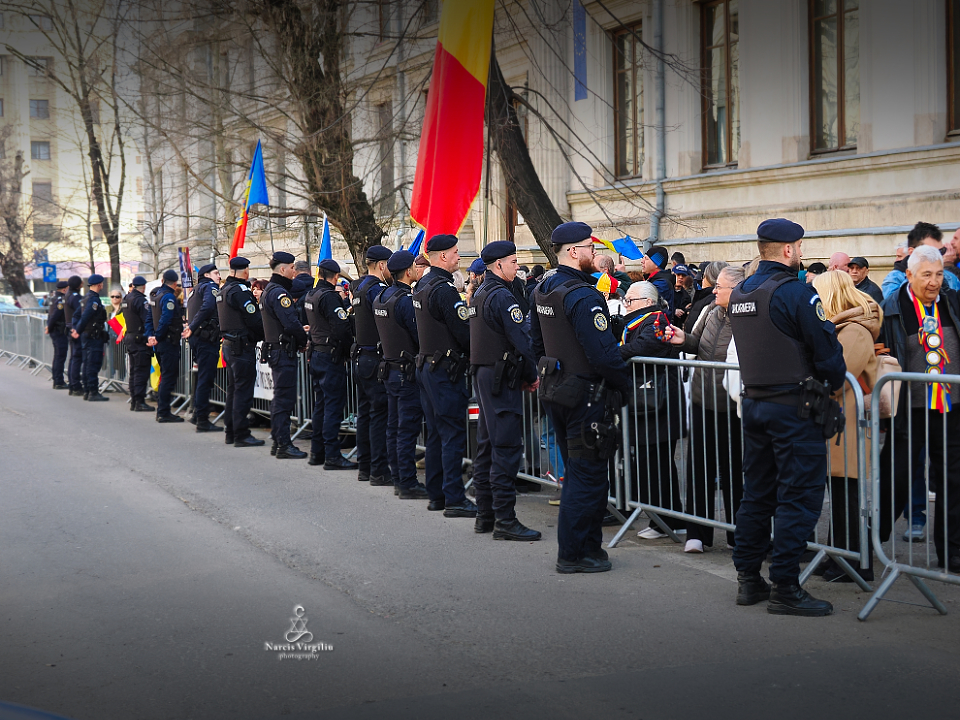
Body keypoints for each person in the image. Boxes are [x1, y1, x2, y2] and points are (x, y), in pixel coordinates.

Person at [728, 218, 846, 617]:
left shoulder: (742, 290)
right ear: (789, 250)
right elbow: (828, 355)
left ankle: (748, 579)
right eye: (799, 246)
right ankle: (785, 587)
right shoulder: (797, 293)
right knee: (799, 496)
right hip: (794, 408)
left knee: (758, 493)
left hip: (756, 405)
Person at [532, 221, 632, 573]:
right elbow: (603, 354)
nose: (595, 253)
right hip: (583, 396)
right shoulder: (582, 294)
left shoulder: (544, 288)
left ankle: (589, 548)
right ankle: (573, 553)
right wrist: (624, 386)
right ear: (574, 252)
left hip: (556, 389)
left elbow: (536, 343)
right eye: (590, 248)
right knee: (587, 475)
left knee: (579, 471)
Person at [878, 245, 960, 572]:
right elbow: (881, 350)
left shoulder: (954, 302)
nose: (934, 282)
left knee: (953, 480)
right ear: (909, 274)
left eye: (939, 274)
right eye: (926, 275)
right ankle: (870, 545)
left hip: (952, 407)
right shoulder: (893, 307)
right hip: (908, 409)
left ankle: (952, 551)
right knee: (895, 476)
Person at [668, 266, 745, 553]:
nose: (713, 291)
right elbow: (696, 342)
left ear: (736, 291)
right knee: (698, 467)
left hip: (731, 406)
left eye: (719, 287)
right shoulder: (712, 311)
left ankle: (739, 534)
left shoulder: (748, 318)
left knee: (733, 472)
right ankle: (697, 533)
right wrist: (681, 338)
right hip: (702, 401)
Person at [469, 240, 541, 541]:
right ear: (498, 265)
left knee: (487, 446)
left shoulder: (480, 294)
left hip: (486, 375)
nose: (517, 266)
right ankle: (505, 520)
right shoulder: (502, 297)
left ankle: (485, 514)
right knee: (506, 448)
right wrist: (531, 374)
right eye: (513, 261)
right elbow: (521, 342)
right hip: (501, 378)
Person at [811, 270, 881, 582]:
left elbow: (838, 377)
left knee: (847, 493)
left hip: (847, 420)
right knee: (839, 492)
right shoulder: (844, 327)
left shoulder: (853, 330)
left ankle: (854, 562)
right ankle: (839, 555)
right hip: (840, 419)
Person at [414, 234, 477, 518]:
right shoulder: (444, 290)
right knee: (451, 435)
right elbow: (464, 333)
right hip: (444, 370)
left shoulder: (422, 285)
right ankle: (454, 498)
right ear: (441, 257)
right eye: (454, 253)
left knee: (437, 434)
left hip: (429, 367)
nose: (458, 257)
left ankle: (437, 494)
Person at [619, 281, 686, 540]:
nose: (627, 304)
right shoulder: (636, 321)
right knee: (650, 464)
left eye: (631, 300)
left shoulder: (656, 319)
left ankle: (668, 519)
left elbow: (643, 348)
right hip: (647, 403)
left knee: (658, 465)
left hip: (659, 404)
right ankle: (661, 517)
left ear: (647, 302)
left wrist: (615, 353)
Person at [374, 250, 429, 499]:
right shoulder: (405, 300)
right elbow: (420, 336)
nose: (419, 270)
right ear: (409, 271)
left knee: (394, 427)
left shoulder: (382, 296)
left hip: (390, 369)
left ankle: (399, 477)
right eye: (415, 267)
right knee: (405, 430)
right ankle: (406, 482)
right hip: (406, 373)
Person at [304, 258, 358, 469]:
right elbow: (342, 329)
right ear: (335, 277)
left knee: (321, 406)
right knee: (333, 407)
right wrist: (347, 352)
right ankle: (332, 455)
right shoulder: (329, 297)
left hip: (317, 352)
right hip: (330, 356)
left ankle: (317, 452)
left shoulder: (311, 294)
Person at [260, 251, 309, 459]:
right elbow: (291, 323)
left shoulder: (268, 291)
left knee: (280, 398)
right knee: (284, 399)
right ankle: (283, 444)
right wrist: (302, 340)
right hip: (282, 352)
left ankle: (278, 441)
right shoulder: (279, 293)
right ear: (283, 269)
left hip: (277, 350)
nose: (294, 273)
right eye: (291, 268)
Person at [351, 245, 392, 485]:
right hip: (374, 358)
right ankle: (378, 470)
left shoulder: (359, 288)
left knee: (365, 414)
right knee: (378, 416)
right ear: (382, 265)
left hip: (361, 357)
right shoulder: (376, 290)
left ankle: (365, 467)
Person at [217, 256, 265, 448]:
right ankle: (241, 433)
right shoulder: (240, 291)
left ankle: (230, 431)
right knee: (242, 391)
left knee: (233, 390)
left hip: (230, 345)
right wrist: (264, 334)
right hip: (241, 346)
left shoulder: (223, 291)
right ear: (244, 271)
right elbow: (254, 319)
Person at [184, 263, 223, 432]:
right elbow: (208, 306)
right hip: (205, 338)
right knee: (205, 379)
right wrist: (192, 326)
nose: (219, 276)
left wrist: (192, 327)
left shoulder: (195, 289)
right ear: (207, 275)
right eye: (216, 273)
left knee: (201, 377)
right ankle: (202, 420)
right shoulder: (210, 286)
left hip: (198, 338)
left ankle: (196, 414)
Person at [882, 222, 960, 298]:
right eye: (930, 252)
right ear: (912, 252)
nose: (938, 257)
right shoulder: (894, 279)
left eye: (941, 251)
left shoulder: (951, 278)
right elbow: (897, 307)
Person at [148, 269, 185, 422]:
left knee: (165, 376)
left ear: (162, 280)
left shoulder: (156, 296)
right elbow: (165, 319)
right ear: (175, 284)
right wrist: (157, 336)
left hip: (161, 342)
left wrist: (152, 335)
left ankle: (163, 410)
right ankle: (163, 412)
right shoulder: (169, 297)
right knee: (168, 377)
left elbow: (149, 318)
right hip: (168, 342)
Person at [71, 274, 110, 402]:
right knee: (93, 363)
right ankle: (93, 392)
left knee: (87, 363)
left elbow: (76, 316)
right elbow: (86, 316)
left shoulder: (85, 298)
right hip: (93, 335)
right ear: (100, 285)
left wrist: (76, 328)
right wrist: (77, 330)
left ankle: (88, 391)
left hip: (86, 335)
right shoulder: (93, 300)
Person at [121, 276, 155, 412]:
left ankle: (134, 401)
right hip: (139, 339)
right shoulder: (140, 300)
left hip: (130, 336)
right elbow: (146, 319)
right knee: (141, 371)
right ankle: (139, 401)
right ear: (144, 287)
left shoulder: (126, 299)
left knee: (134, 371)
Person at [45, 280, 70, 390]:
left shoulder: (53, 298)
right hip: (59, 331)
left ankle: (57, 379)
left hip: (55, 330)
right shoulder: (61, 300)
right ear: (64, 289)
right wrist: (49, 327)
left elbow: (50, 315)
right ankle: (58, 381)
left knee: (58, 356)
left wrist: (48, 327)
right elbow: (54, 316)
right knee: (60, 356)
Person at [641, 245, 676, 318]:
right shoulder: (655, 280)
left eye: (646, 259)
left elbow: (643, 303)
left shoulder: (661, 284)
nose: (642, 261)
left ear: (657, 264)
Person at [64, 275, 84, 395]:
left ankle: (73, 384)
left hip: (70, 328)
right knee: (77, 358)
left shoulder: (68, 295)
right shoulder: (75, 297)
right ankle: (75, 385)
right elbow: (80, 312)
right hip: (75, 329)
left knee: (74, 358)